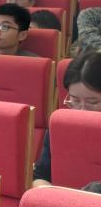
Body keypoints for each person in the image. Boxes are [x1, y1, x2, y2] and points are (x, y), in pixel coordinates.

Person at [33, 50, 101, 186]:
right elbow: (40, 176)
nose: (82, 110)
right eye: (75, 100)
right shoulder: (61, 126)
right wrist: (47, 192)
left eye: (92, 102)